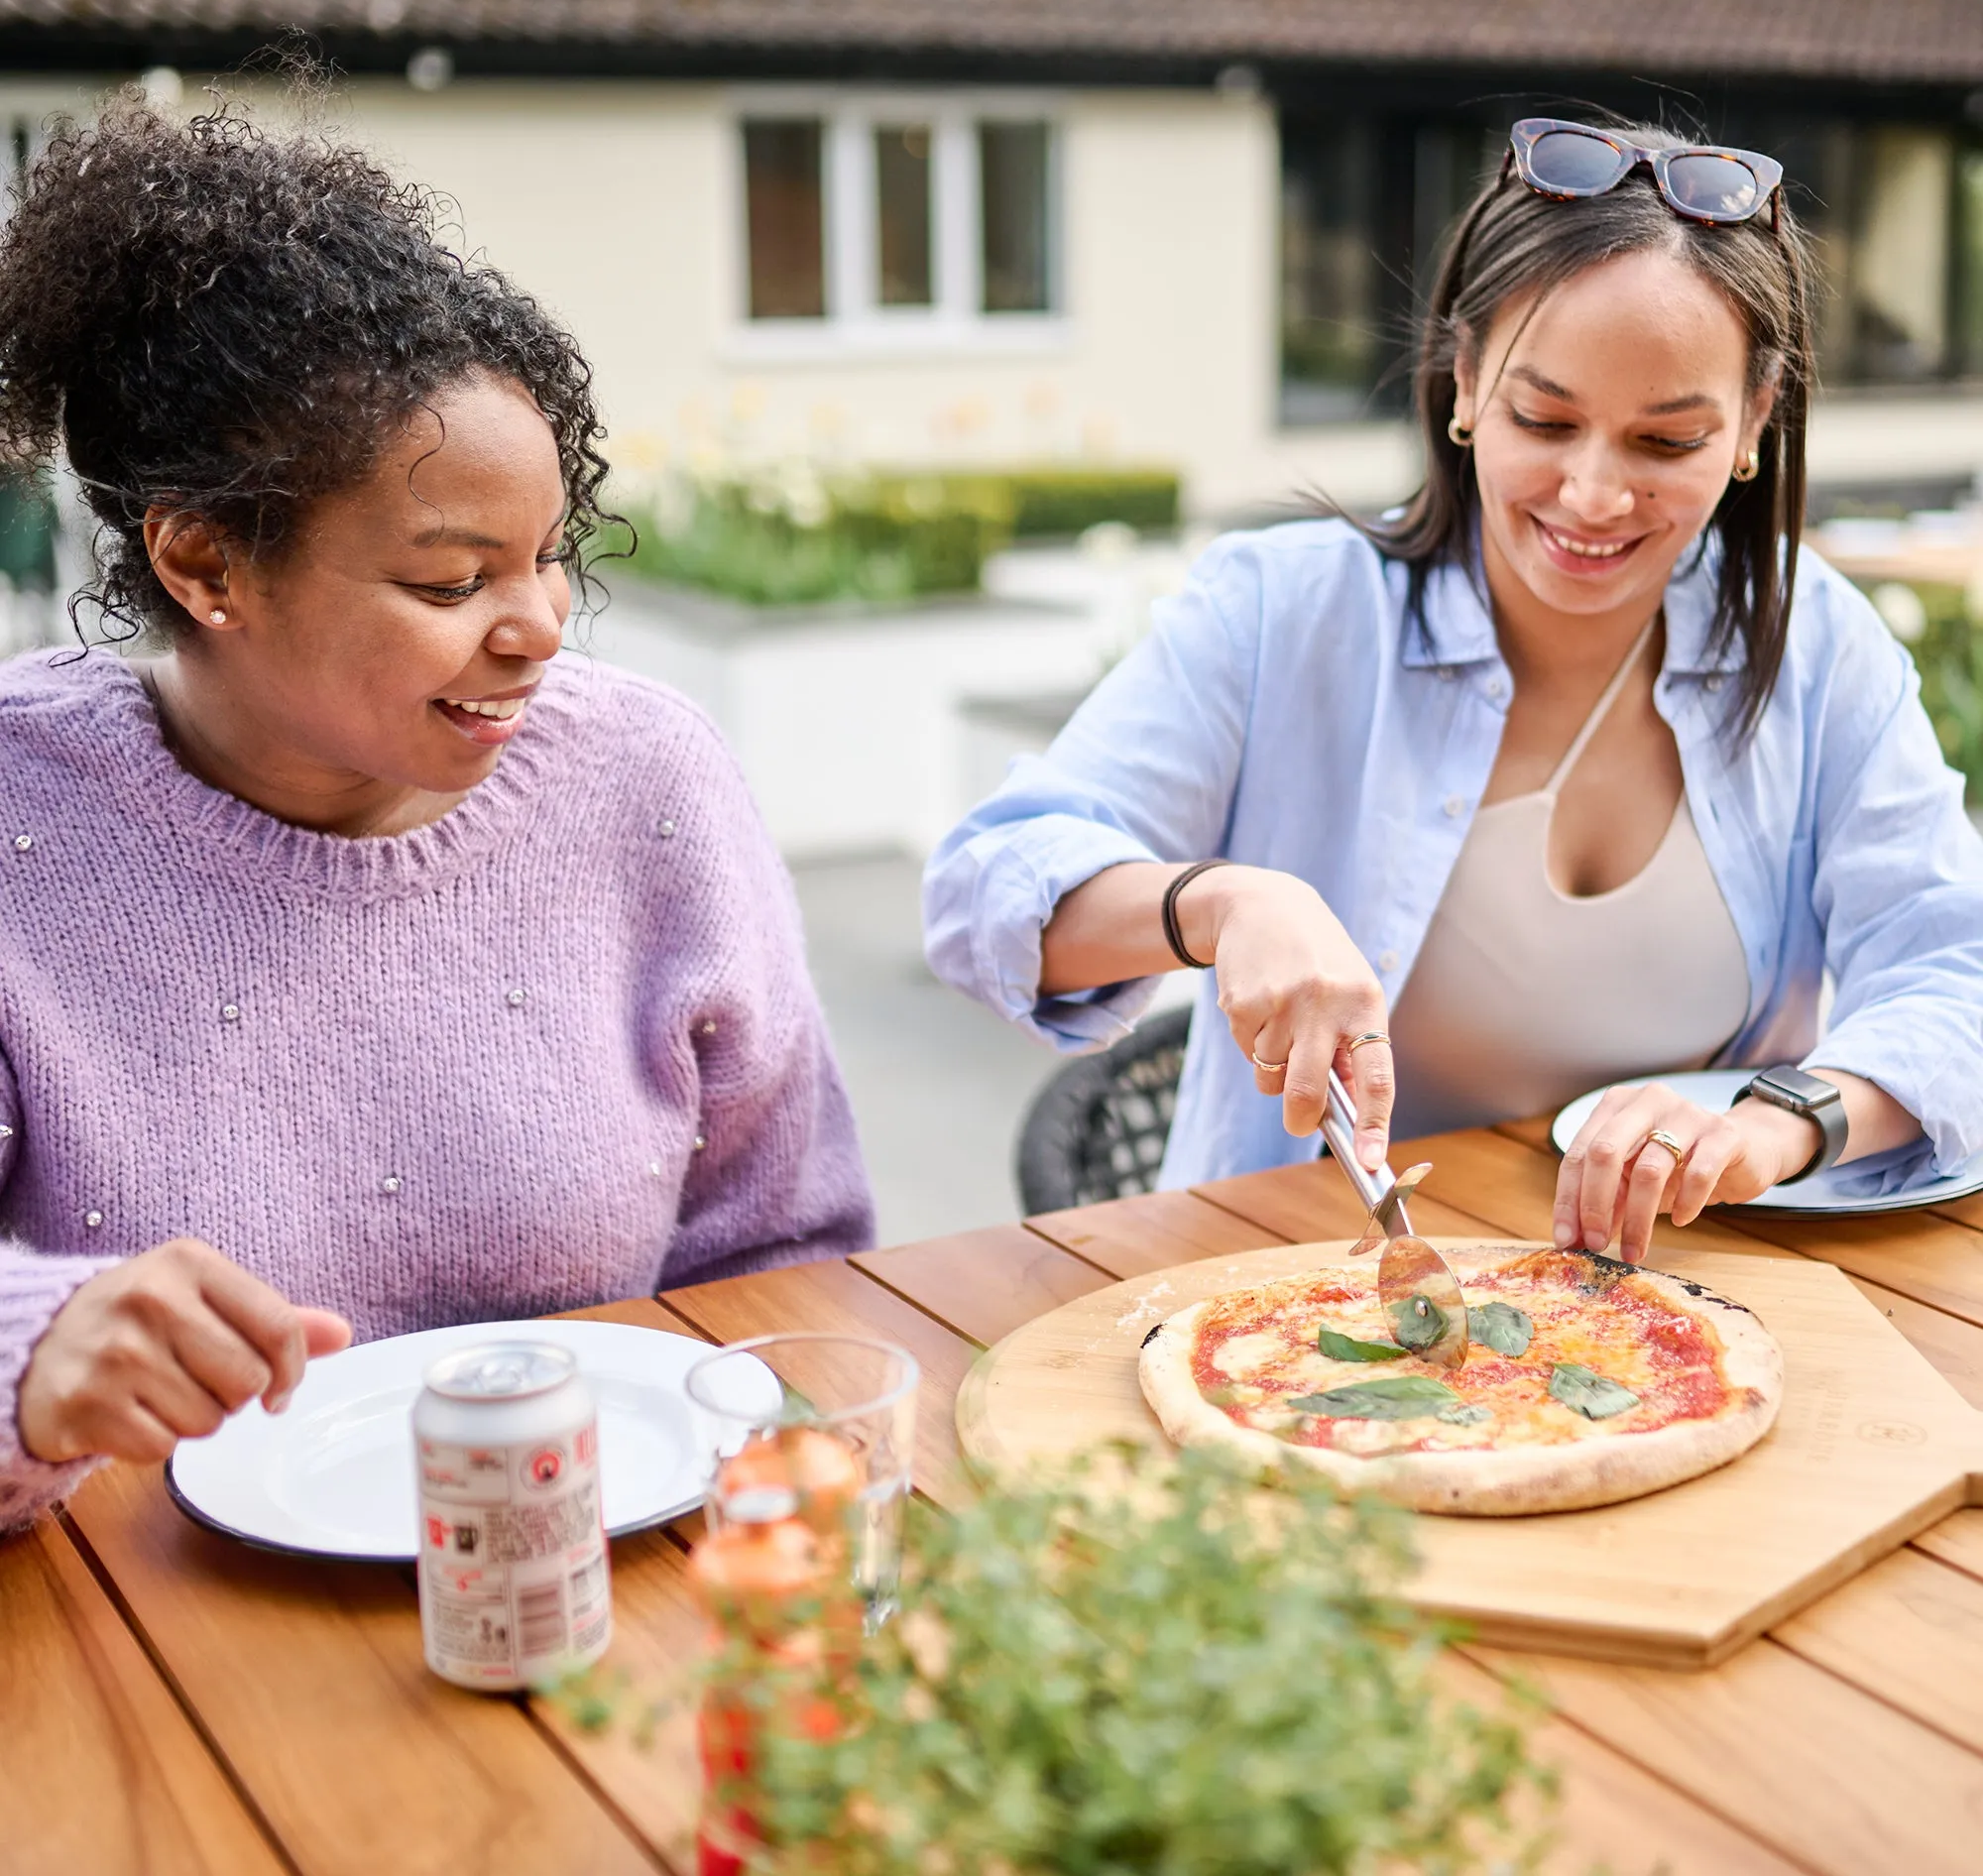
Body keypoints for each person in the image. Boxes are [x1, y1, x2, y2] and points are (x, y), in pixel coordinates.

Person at [0, 94, 873, 1529]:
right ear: (204, 558)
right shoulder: (24, 821)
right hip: (159, 1651)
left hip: (612, 1588)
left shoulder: (649, 780)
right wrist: (30, 1356)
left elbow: (792, 1269)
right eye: (454, 582)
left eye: (549, 558)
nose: (537, 627)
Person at [927, 117, 1983, 1267]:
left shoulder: (1816, 640)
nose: (1591, 493)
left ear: (1749, 426)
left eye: (1664, 440)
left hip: (1697, 1293)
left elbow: (1953, 968)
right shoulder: (1282, 609)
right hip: (1300, 1298)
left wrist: (1785, 1117)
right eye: (1543, 419)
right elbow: (982, 893)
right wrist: (1217, 902)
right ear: (1465, 382)